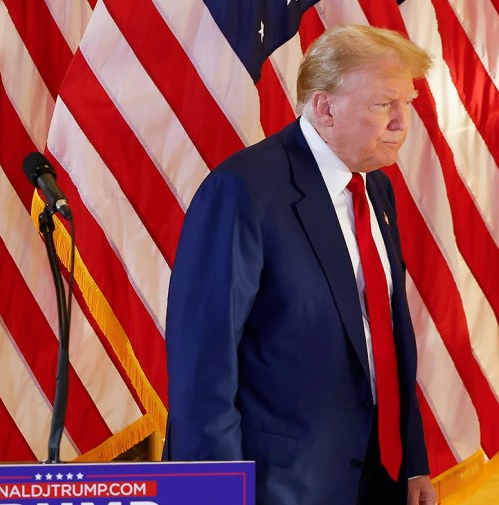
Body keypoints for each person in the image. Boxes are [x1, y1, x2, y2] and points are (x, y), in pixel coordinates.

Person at [164, 25, 438, 505]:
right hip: (278, 487)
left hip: (379, 480)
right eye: (383, 104)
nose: (402, 122)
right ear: (325, 107)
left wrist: (413, 463)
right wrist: (216, 494)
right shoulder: (243, 191)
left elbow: (387, 340)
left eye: (407, 103)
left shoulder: (375, 188)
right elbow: (202, 367)